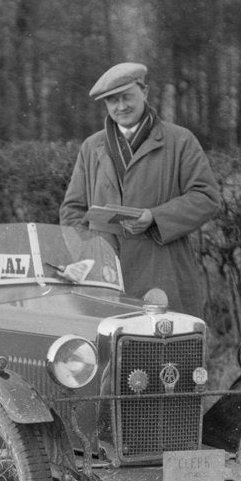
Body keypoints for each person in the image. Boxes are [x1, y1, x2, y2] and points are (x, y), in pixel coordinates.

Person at [59, 61, 221, 317]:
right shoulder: (92, 147)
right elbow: (72, 212)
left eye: (127, 97)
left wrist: (154, 217)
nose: (121, 106)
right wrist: (92, 254)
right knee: (111, 350)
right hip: (106, 279)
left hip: (164, 272)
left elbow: (206, 197)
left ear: (144, 92)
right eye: (112, 100)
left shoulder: (180, 140)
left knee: (168, 350)